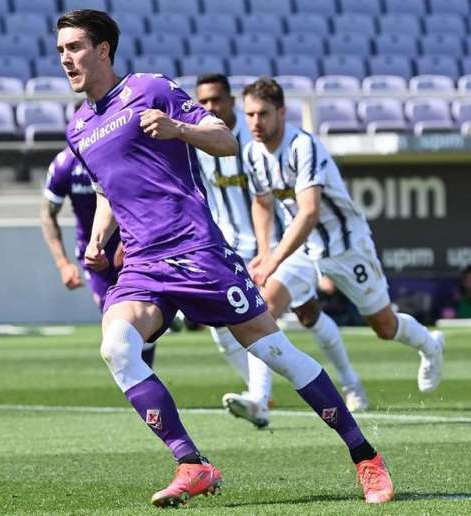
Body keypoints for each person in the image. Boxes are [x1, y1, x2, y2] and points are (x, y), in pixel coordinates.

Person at [57, 10, 392, 507]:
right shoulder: (79, 128)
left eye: (76, 47)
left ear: (104, 49)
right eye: (61, 49)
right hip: (143, 264)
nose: (66, 58)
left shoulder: (151, 89)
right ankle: (192, 464)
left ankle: (365, 456)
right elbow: (109, 187)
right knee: (116, 348)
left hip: (195, 250)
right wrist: (100, 234)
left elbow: (226, 140)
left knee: (274, 353)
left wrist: (177, 128)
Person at [242, 77, 444, 397]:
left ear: (281, 113)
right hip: (301, 248)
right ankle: (258, 399)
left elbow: (309, 212)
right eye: (250, 114)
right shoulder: (252, 153)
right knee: (264, 307)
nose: (255, 121)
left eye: (263, 114)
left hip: (345, 244)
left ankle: (430, 345)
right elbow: (262, 203)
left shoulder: (302, 146)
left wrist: (272, 260)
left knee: (384, 326)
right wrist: (265, 253)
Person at [193, 74, 369, 429]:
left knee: (281, 312)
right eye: (204, 102)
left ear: (232, 103)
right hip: (229, 249)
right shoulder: (200, 145)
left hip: (277, 247)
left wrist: (270, 251)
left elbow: (273, 199)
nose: (210, 108)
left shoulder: (256, 140)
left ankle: (341, 385)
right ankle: (260, 392)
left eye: (216, 100)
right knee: (225, 325)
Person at [40, 146, 156, 366]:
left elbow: (147, 196)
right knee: (116, 327)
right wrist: (63, 263)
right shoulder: (64, 164)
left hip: (134, 248)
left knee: (138, 321)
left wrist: (133, 238)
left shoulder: (123, 152)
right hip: (95, 257)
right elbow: (47, 214)